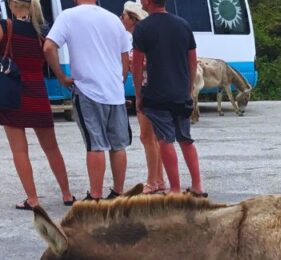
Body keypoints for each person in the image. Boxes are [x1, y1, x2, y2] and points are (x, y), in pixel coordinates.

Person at [43, 0, 132, 201]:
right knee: (118, 146)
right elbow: (125, 54)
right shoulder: (113, 19)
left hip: (88, 91)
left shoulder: (69, 16)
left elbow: (49, 47)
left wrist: (61, 77)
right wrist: (120, 79)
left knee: (96, 145)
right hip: (115, 93)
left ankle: (95, 196)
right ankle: (118, 193)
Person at [0, 0, 73, 210]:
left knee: (19, 150)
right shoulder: (41, 31)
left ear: (13, 4)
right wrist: (61, 77)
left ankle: (33, 199)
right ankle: (67, 194)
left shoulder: (6, 26)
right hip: (38, 92)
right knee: (51, 147)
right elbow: (51, 55)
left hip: (12, 93)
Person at [132, 0, 204, 197]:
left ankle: (174, 189)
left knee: (165, 140)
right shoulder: (183, 24)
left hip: (157, 94)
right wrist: (188, 89)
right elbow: (192, 61)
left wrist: (138, 94)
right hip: (181, 93)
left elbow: (136, 66)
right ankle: (198, 185)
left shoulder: (142, 28)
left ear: (148, 2)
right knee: (186, 139)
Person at [120, 1, 163, 194]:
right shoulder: (142, 35)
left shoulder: (139, 37)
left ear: (133, 18)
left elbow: (142, 63)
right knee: (154, 137)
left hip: (147, 89)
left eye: (124, 15)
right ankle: (159, 179)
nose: (121, 18)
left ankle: (152, 181)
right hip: (156, 88)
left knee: (147, 136)